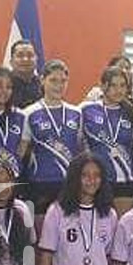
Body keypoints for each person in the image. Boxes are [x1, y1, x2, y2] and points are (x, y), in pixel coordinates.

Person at [19, 60, 82, 228]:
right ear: (42, 80)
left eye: (63, 81)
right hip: (40, 184)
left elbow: (80, 149)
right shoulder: (29, 113)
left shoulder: (76, 113)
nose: (58, 85)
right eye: (53, 80)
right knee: (41, 236)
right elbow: (21, 152)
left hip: (69, 184)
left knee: (68, 235)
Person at [80, 66, 133, 216]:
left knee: (122, 229)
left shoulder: (131, 113)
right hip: (96, 179)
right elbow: (76, 141)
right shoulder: (86, 109)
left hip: (125, 179)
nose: (118, 90)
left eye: (123, 85)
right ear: (103, 85)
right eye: (113, 85)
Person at [9, 39, 43, 109]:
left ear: (36, 60)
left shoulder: (44, 85)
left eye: (30, 55)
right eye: (20, 56)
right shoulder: (3, 86)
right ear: (11, 61)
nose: (25, 59)